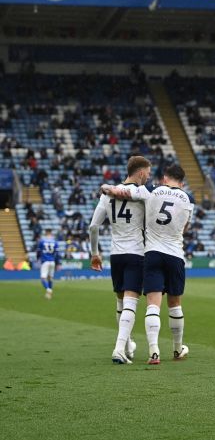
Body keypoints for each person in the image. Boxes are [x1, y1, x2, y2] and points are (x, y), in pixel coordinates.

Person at [101, 164, 194, 365]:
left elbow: (122, 191)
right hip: (175, 254)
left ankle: (154, 352)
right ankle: (178, 349)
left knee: (153, 304)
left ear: (164, 178)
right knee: (175, 304)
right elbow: (185, 226)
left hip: (152, 253)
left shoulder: (151, 190)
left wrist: (107, 188)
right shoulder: (188, 198)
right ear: (182, 182)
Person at [89, 155, 151, 364]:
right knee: (131, 303)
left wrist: (95, 253)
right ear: (141, 172)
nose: (148, 177)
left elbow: (93, 227)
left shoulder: (106, 195)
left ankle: (127, 345)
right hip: (136, 253)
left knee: (120, 302)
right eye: (148, 174)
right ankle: (118, 349)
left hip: (116, 255)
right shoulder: (142, 192)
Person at [36, 229, 60, 300]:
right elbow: (57, 254)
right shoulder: (55, 242)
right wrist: (58, 263)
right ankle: (49, 295)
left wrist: (38, 259)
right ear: (51, 233)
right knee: (50, 278)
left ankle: (49, 290)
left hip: (45, 261)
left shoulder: (42, 241)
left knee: (43, 278)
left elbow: (38, 252)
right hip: (52, 262)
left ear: (46, 233)